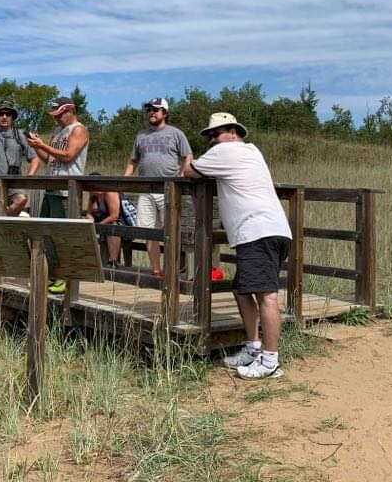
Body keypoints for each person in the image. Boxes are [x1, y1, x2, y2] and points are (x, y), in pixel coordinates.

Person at [183, 112, 292, 380]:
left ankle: (270, 360)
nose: (212, 140)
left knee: (266, 295)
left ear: (233, 132)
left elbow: (188, 171)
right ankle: (253, 347)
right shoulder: (252, 151)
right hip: (269, 230)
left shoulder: (226, 151)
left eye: (216, 134)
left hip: (257, 232)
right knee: (242, 290)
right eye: (210, 136)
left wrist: (186, 154)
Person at [123, 97, 192, 277]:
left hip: (168, 188)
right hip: (145, 189)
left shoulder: (176, 133)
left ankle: (172, 268)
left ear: (165, 113)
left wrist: (182, 177)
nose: (152, 112)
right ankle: (156, 269)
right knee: (147, 230)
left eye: (156, 109)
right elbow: (133, 160)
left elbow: (187, 156)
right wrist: (123, 181)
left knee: (171, 230)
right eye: (149, 109)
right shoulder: (141, 135)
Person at [27, 96, 89, 293]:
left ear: (70, 111)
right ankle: (52, 276)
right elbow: (50, 160)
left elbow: (69, 155)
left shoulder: (78, 130)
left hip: (66, 191)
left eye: (59, 114)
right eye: (54, 115)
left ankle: (64, 279)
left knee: (63, 235)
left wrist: (44, 145)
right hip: (51, 188)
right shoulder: (57, 132)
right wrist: (37, 147)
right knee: (47, 235)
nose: (56, 118)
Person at [85, 172, 125, 267]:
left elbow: (115, 215)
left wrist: (98, 226)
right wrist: (90, 220)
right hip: (101, 222)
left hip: (118, 222)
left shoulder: (109, 192)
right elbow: (89, 213)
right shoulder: (93, 196)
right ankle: (88, 259)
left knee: (112, 227)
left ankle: (113, 260)